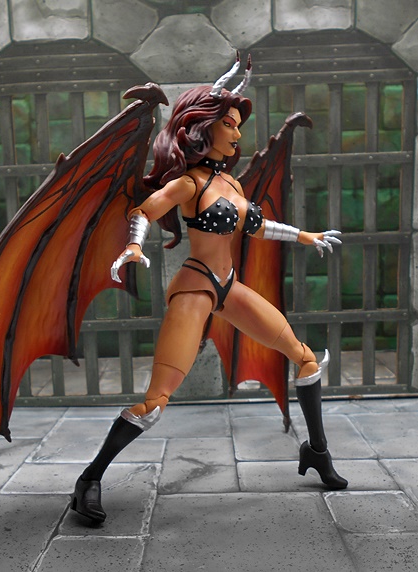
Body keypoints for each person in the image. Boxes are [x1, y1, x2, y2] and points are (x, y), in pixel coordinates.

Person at [71, 58, 347, 524]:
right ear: (203, 129)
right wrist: (134, 246)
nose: (237, 133)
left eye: (238, 124)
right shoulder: (189, 183)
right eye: (229, 124)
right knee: (155, 403)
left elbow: (257, 226)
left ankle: (317, 452)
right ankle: (88, 480)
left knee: (304, 359)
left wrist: (306, 236)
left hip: (229, 286)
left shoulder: (231, 182)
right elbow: (144, 210)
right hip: (196, 287)